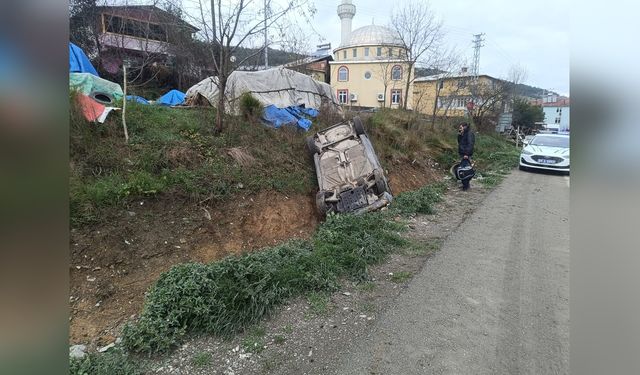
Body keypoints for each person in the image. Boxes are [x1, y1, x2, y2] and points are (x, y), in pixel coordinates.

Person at [457, 122, 475, 190]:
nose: (460, 128)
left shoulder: (469, 134)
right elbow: (459, 142)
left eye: (461, 127)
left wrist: (466, 154)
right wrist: (460, 134)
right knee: (463, 169)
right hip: (462, 153)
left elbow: (470, 144)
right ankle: (465, 185)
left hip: (465, 154)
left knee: (465, 170)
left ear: (464, 127)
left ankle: (466, 186)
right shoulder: (463, 134)